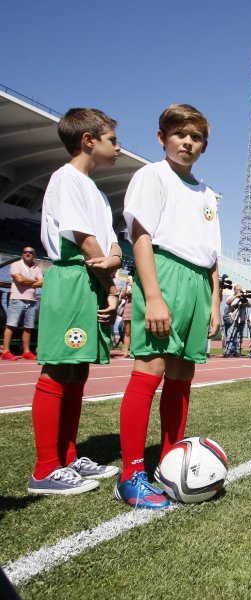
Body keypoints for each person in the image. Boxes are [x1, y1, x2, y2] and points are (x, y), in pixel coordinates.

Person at [116, 104, 222, 509]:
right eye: (179, 135)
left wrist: (213, 302)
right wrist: (154, 294)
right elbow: (141, 237)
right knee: (151, 368)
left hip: (198, 282)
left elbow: (213, 256)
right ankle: (131, 475)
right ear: (162, 138)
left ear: (204, 146)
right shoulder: (151, 176)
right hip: (165, 273)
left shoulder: (208, 194)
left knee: (182, 372)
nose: (187, 143)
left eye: (195, 138)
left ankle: (170, 461)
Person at [27, 108, 123, 495]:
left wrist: (115, 259)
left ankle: (67, 455)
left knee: (77, 370)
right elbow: (87, 244)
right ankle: (45, 468)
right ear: (88, 140)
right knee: (58, 368)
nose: (117, 147)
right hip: (72, 279)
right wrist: (113, 287)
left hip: (91, 280)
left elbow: (111, 242)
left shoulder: (96, 190)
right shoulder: (66, 180)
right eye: (112, 140)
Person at [2, 246, 44, 360]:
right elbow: (19, 280)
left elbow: (42, 283)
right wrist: (33, 281)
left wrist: (26, 281)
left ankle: (26, 351)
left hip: (32, 300)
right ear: (22, 254)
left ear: (34, 254)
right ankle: (6, 351)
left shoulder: (37, 268)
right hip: (17, 299)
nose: (27, 253)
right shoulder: (16, 265)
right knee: (11, 325)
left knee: (28, 327)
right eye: (25, 252)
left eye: (30, 252)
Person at [118, 276, 133, 358]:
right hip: (128, 307)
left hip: (137, 307)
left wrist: (133, 285)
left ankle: (134, 350)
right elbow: (122, 296)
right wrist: (127, 286)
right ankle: (126, 351)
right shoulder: (128, 282)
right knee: (127, 331)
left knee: (136, 331)